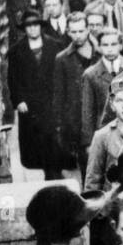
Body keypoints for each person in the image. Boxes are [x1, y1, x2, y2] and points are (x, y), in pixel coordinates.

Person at [7, 10, 62, 176]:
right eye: (28, 26)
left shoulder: (55, 46)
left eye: (35, 25)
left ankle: (54, 173)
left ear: (41, 27)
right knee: (35, 143)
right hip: (30, 105)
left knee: (53, 140)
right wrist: (19, 100)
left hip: (51, 101)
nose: (32, 29)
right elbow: (12, 78)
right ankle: (45, 171)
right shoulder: (17, 51)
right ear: (24, 29)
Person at [51, 11, 97, 175]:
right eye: (74, 32)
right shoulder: (62, 59)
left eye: (81, 31)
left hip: (101, 118)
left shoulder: (100, 53)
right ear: (68, 32)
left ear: (88, 30)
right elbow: (59, 96)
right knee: (87, 170)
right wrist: (61, 128)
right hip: (78, 124)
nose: (77, 36)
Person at [79, 26, 123, 133]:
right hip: (104, 131)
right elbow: (87, 112)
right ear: (99, 47)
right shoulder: (91, 74)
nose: (110, 49)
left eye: (114, 44)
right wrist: (89, 143)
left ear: (120, 46)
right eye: (105, 45)